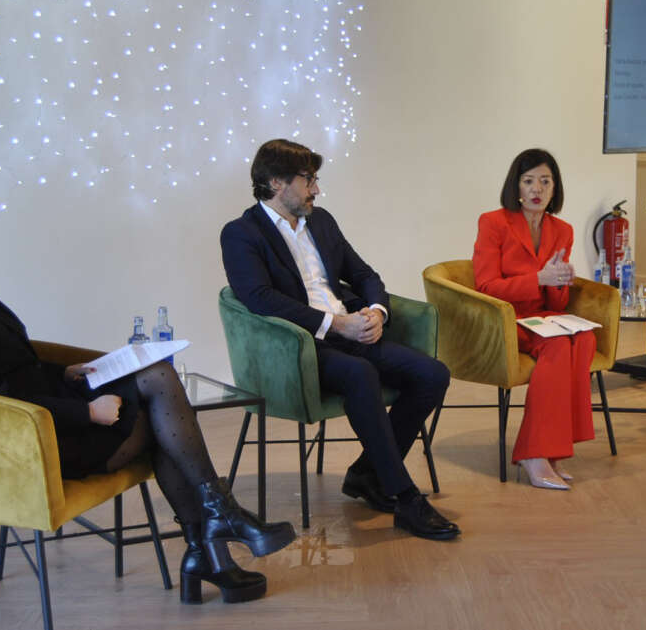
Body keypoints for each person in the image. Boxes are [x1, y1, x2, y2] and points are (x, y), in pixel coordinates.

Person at [0, 178, 296, 605]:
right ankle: (213, 540)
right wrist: (87, 414)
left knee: (156, 379)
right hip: (23, 447)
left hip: (40, 416)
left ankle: (211, 541)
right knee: (163, 422)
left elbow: (12, 362)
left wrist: (65, 371)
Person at [220, 139, 459, 541]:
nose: (316, 189)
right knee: (360, 374)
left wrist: (375, 312)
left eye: (316, 179)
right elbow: (258, 298)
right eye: (308, 180)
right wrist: (335, 325)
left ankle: (368, 474)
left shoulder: (322, 221)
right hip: (300, 349)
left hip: (352, 332)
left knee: (432, 374)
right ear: (276, 182)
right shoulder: (241, 233)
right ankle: (403, 496)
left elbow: (364, 274)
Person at [472, 148, 597, 490]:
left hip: (542, 315)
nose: (536, 189)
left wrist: (560, 280)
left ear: (555, 188)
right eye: (529, 181)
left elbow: (555, 301)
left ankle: (555, 449)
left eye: (545, 181)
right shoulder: (493, 222)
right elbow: (486, 286)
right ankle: (534, 452)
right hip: (504, 318)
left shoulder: (562, 230)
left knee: (584, 338)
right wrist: (538, 279)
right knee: (557, 344)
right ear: (516, 186)